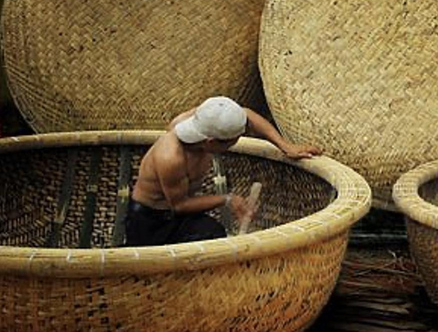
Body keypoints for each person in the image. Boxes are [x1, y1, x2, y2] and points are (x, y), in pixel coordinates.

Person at [124, 96, 322, 246]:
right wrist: (227, 200)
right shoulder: (171, 157)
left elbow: (248, 117)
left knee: (213, 232)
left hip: (177, 216)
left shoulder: (207, 118)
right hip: (150, 220)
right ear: (212, 142)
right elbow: (179, 205)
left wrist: (285, 146)